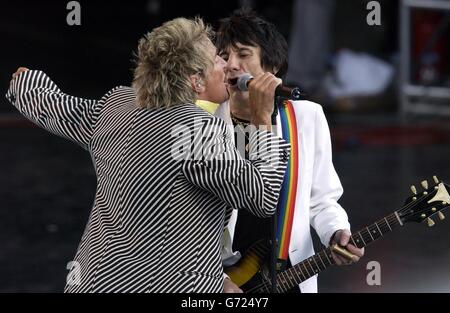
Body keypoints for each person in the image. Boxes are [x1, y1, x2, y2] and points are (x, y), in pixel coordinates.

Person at [6, 17, 291, 293]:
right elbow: (262, 197)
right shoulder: (196, 129)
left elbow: (56, 108)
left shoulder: (118, 105)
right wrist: (262, 117)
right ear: (196, 82)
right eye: (217, 59)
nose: (227, 66)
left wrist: (27, 83)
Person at [215, 8, 364, 293]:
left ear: (271, 69)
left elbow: (321, 199)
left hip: (291, 276)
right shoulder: (206, 123)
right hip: (227, 280)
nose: (231, 65)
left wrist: (336, 231)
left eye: (243, 55)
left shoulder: (306, 117)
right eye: (224, 56)